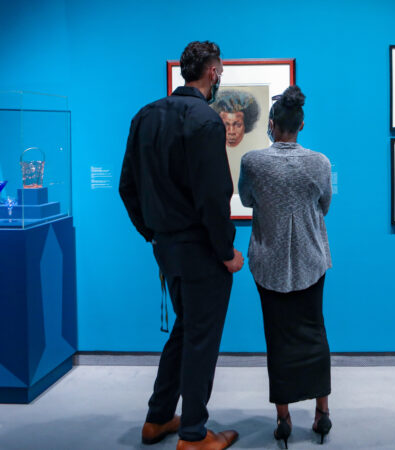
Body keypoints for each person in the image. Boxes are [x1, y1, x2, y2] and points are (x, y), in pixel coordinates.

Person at [119, 40, 243, 450]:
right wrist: (226, 253)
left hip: (166, 248)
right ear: (212, 72)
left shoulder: (144, 116)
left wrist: (153, 233)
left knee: (185, 330)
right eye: (220, 70)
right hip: (201, 251)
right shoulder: (205, 121)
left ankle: (157, 419)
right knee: (201, 338)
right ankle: (192, 434)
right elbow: (213, 198)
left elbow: (127, 188)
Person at [238, 86, 333, 448]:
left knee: (277, 339)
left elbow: (247, 198)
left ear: (273, 125)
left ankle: (283, 419)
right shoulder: (320, 163)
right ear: (301, 125)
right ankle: (322, 413)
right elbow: (324, 205)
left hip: (269, 262)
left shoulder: (253, 162)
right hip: (311, 260)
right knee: (314, 332)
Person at [211, 90, 261, 193]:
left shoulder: (255, 154)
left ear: (246, 124)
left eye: (237, 125)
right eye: (225, 125)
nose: (231, 132)